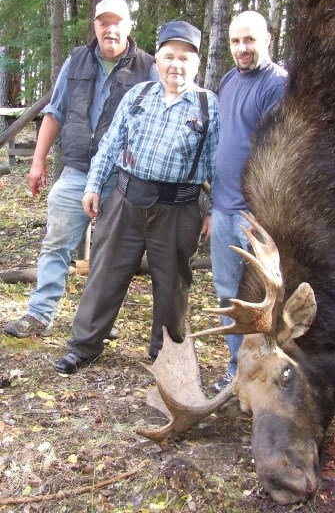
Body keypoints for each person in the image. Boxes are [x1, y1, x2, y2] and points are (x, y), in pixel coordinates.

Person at [54, 20, 219, 374]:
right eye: (169, 56)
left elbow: (216, 164)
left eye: (184, 59)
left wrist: (214, 209)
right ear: (157, 59)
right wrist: (94, 185)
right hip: (125, 201)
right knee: (104, 275)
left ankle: (166, 355)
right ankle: (84, 346)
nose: (176, 65)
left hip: (178, 209)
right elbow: (111, 144)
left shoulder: (209, 106)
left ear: (196, 64)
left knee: (173, 286)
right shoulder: (138, 95)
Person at [3, 0, 157, 339]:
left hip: (122, 177)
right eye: (104, 22)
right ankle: (39, 315)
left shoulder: (149, 68)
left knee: (112, 252)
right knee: (56, 242)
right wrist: (38, 161)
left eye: (117, 22)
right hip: (76, 171)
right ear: (95, 27)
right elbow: (55, 113)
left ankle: (94, 322)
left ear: (129, 26)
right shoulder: (76, 62)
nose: (110, 28)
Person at [211, 11, 288, 391]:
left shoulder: (278, 85)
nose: (242, 48)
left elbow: (279, 152)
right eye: (236, 41)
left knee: (266, 298)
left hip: (257, 212)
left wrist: (265, 211)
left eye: (250, 40)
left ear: (267, 39)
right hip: (223, 207)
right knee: (228, 291)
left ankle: (272, 375)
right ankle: (236, 368)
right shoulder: (228, 81)